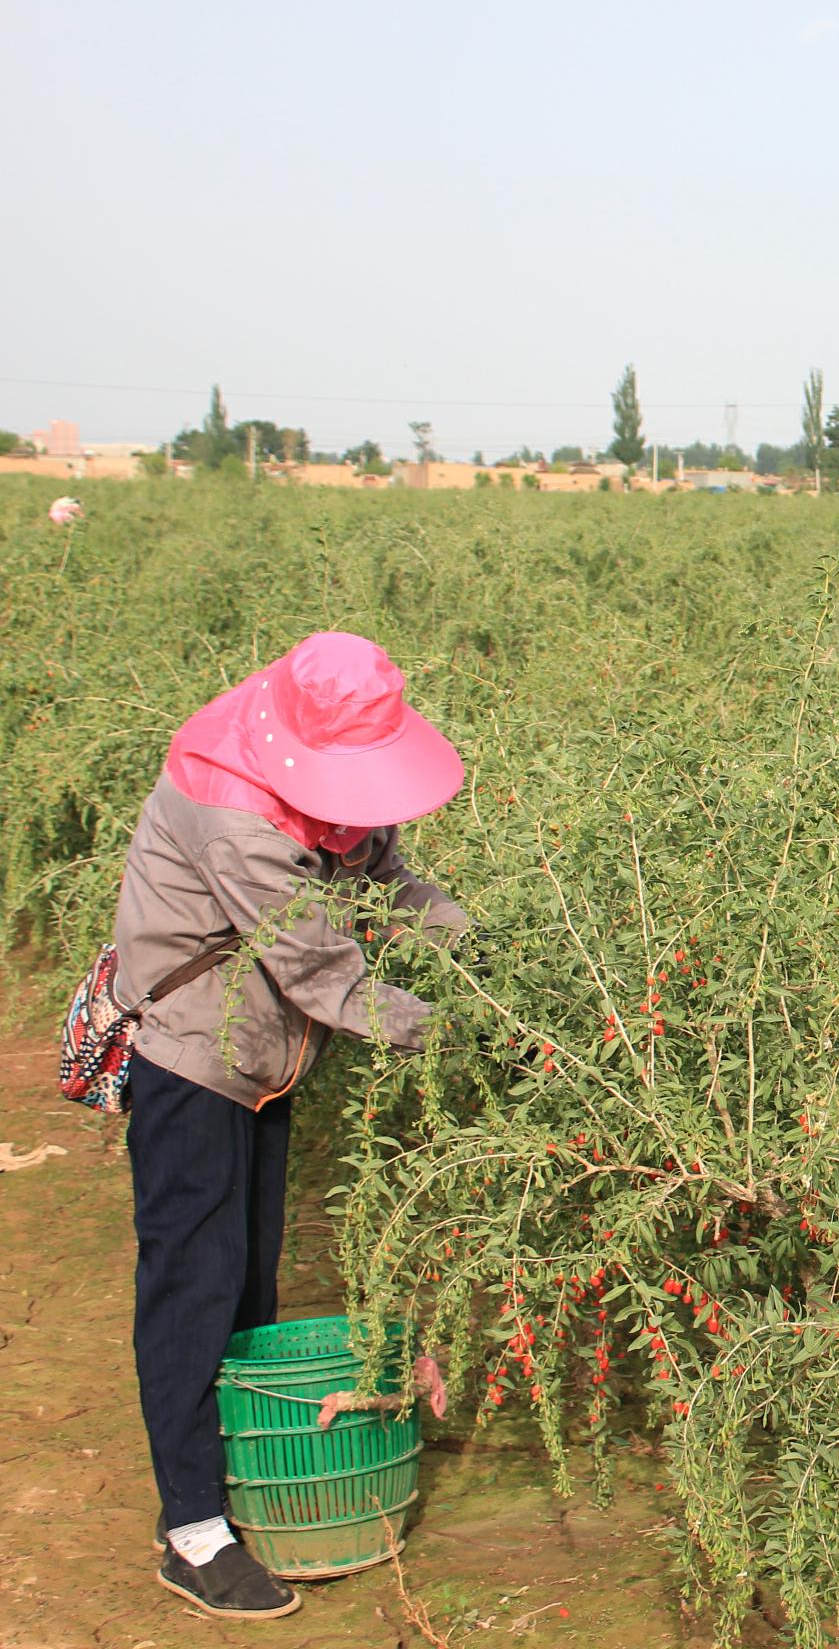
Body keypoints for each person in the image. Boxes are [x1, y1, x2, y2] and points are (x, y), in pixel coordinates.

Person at [111, 631, 466, 1620]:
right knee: (193, 1279)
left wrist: (496, 950)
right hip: (194, 1056)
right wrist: (462, 1029)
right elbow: (324, 973)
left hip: (266, 1057)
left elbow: (391, 887)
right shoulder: (234, 813)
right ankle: (191, 1530)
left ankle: (239, 1481)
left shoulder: (316, 766)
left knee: (250, 1273)